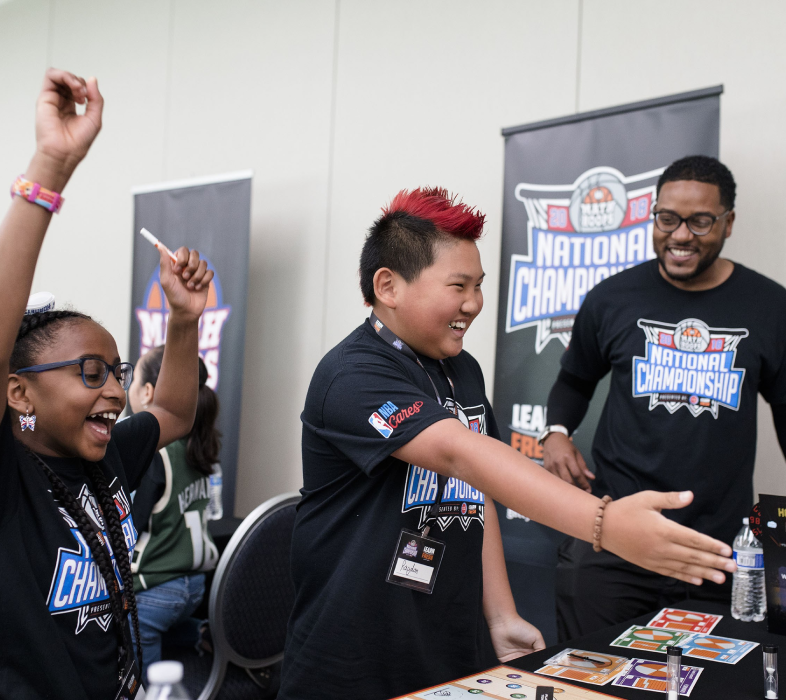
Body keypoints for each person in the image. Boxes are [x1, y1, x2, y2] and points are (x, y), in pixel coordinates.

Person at [278, 187, 736, 700]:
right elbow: (459, 451)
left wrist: (501, 614)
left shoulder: (461, 368)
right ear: (388, 285)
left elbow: (479, 483)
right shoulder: (352, 373)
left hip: (445, 641)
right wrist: (604, 524)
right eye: (458, 286)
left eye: (479, 285)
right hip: (352, 656)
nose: (473, 304)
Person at [0, 68, 214, 699]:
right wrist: (51, 167)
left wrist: (182, 320)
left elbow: (174, 409)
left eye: (117, 373)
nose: (117, 392)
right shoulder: (11, 475)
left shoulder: (110, 455)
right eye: (90, 374)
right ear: (19, 393)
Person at [542, 155, 786, 640]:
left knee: (705, 682)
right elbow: (574, 380)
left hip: (712, 549)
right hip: (612, 537)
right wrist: (556, 433)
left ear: (728, 222)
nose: (680, 235)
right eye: (667, 218)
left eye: (700, 221)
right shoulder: (613, 297)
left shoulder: (770, 306)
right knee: (591, 677)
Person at [128, 348, 221, 681]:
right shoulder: (199, 447)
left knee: (128, 628)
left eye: (133, 380)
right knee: (169, 619)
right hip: (194, 587)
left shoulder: (155, 452)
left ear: (148, 392)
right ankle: (199, 633)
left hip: (155, 590)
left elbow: (130, 526)